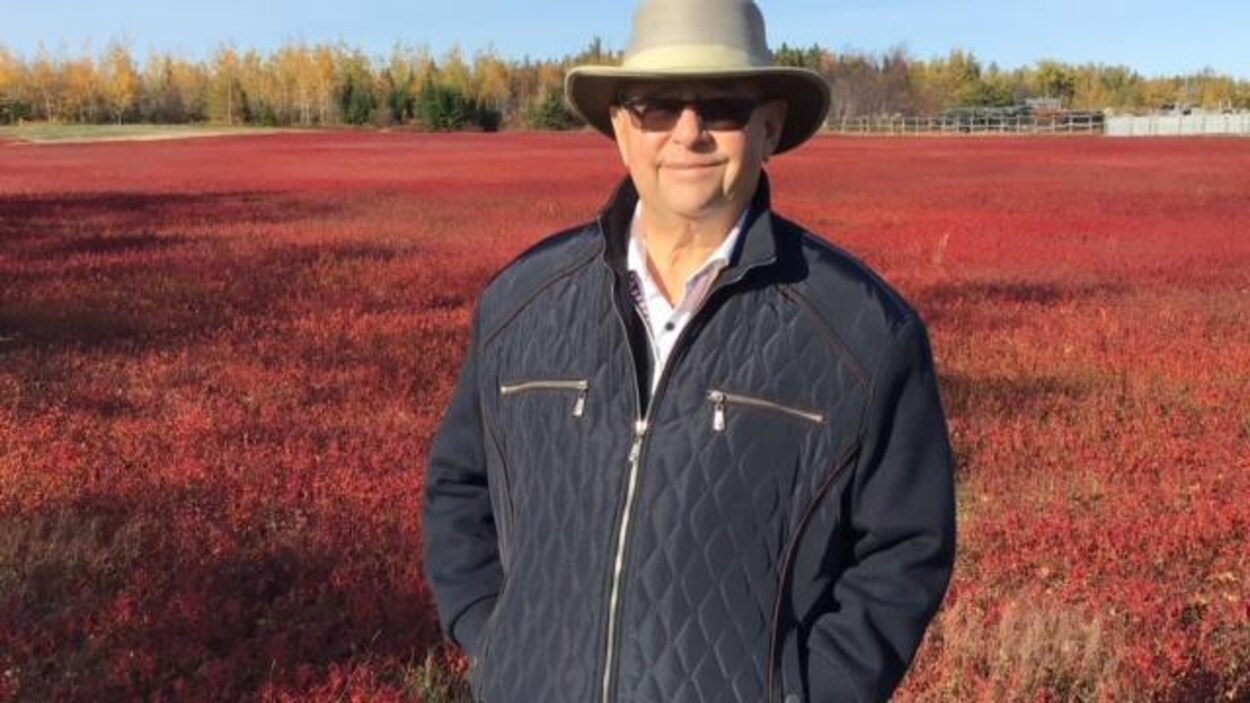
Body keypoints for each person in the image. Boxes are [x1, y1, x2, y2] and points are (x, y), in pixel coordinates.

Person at [422, 0, 956, 700]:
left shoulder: (862, 334)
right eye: (656, 106)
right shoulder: (522, 306)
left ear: (770, 127)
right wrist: (497, 642)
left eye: (723, 105)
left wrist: (805, 690)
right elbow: (459, 488)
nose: (688, 131)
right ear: (621, 128)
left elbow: (906, 549)